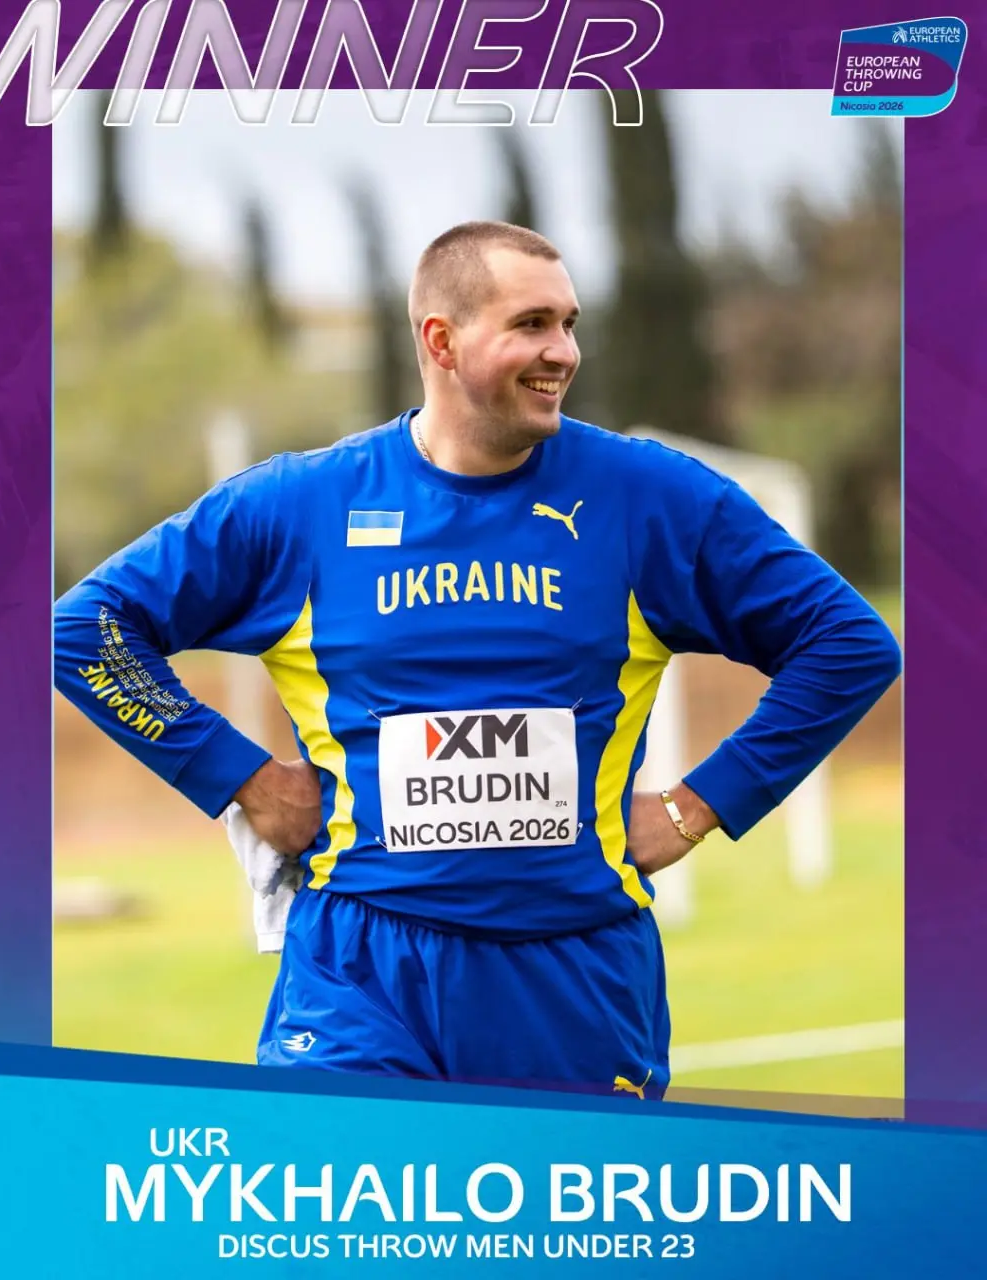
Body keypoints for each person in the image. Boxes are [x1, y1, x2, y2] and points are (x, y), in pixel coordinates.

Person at [54, 221, 901, 1098]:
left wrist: (698, 807)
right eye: (531, 324)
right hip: (358, 972)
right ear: (441, 340)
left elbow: (848, 644)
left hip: (572, 974)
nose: (563, 351)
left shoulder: (649, 497)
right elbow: (88, 630)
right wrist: (245, 779)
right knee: (344, 1188)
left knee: (545, 1196)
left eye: (569, 324)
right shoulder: (303, 505)